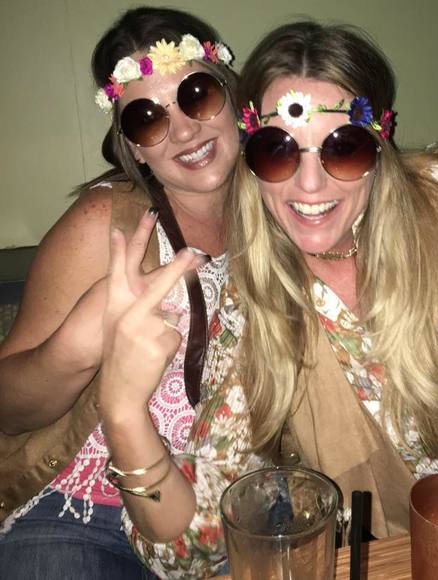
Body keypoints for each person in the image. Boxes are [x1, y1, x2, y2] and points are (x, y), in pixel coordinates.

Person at [93, 21, 438, 579]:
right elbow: (193, 549)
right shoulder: (255, 308)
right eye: (277, 151)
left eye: (343, 148)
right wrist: (123, 416)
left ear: (378, 144)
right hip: (404, 553)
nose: (310, 185)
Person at [0, 6, 239, 578]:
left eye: (198, 95)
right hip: (83, 514)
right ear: (133, 146)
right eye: (148, 119)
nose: (184, 131)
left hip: (225, 509)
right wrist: (75, 349)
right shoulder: (103, 223)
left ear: (234, 98)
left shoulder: (289, 205)